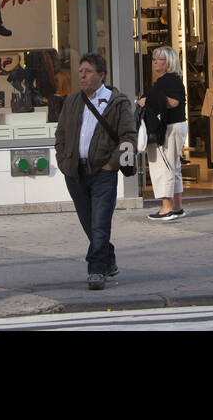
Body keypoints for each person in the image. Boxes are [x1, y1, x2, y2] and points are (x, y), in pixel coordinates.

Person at [54, 52, 137, 290]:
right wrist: (63, 161)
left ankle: (96, 270)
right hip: (75, 172)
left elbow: (129, 138)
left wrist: (112, 164)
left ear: (101, 75)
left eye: (87, 71)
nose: (82, 75)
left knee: (100, 223)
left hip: (103, 172)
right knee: (89, 223)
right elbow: (60, 134)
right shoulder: (72, 101)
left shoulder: (117, 102)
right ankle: (107, 258)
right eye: (80, 71)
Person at [138, 46, 187, 220]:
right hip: (176, 126)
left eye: (159, 59)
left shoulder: (168, 80)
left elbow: (174, 102)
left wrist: (148, 100)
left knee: (164, 166)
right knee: (174, 168)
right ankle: (177, 206)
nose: (155, 62)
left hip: (170, 128)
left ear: (169, 62)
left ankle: (166, 208)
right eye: (154, 59)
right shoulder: (170, 80)